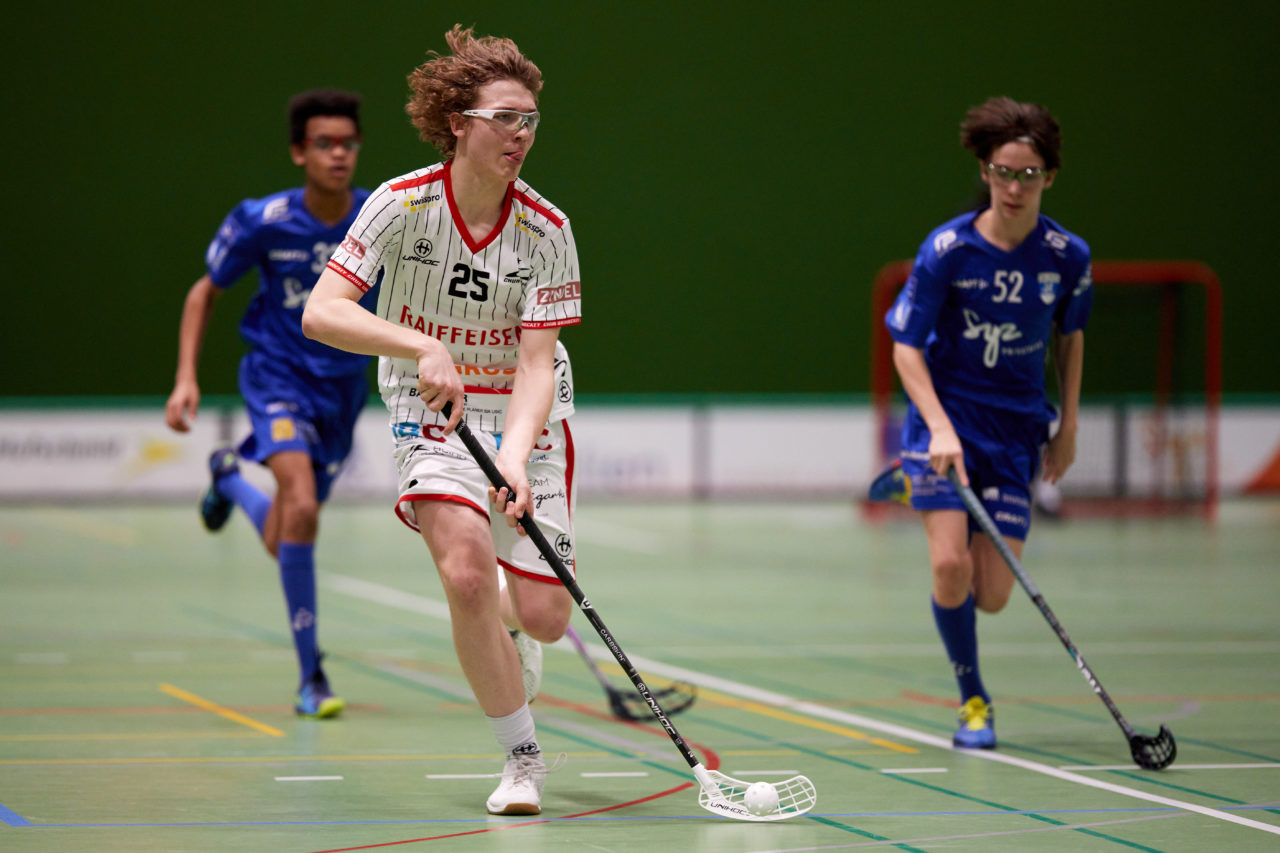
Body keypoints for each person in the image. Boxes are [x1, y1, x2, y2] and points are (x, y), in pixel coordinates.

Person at [302, 26, 580, 816]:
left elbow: (535, 365)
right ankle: (522, 758)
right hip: (428, 415)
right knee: (462, 571)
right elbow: (323, 312)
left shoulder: (548, 231)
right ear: (460, 121)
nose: (520, 135)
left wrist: (518, 457)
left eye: (530, 120)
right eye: (505, 118)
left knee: (546, 616)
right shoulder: (399, 205)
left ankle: (517, 623)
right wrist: (420, 343)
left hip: (528, 416)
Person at [884, 96, 1092, 749]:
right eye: (1002, 171)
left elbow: (1071, 339)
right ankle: (974, 700)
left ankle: (934, 508)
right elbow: (905, 346)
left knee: (993, 593)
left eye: (1028, 175)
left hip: (1015, 433)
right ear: (984, 168)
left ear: (1049, 177)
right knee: (951, 567)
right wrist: (940, 427)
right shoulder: (948, 250)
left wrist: (1070, 423)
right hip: (944, 429)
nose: (1013, 187)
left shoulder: (1067, 257)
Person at [165, 89, 373, 720]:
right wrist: (185, 379)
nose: (337, 155)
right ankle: (312, 677)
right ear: (298, 152)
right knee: (304, 507)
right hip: (277, 378)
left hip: (342, 392)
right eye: (323, 144)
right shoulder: (263, 220)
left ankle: (229, 479)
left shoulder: (376, 219)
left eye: (347, 143)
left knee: (286, 534)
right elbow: (205, 292)